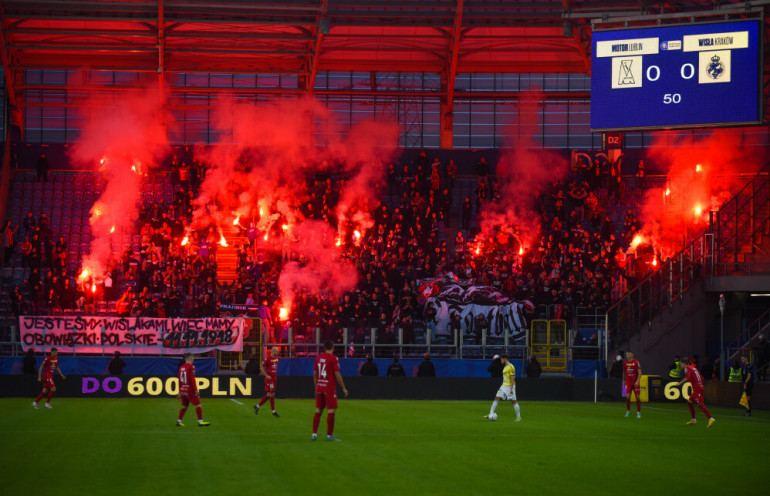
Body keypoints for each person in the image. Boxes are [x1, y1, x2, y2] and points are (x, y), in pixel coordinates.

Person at [312, 340, 348, 441]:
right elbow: (337, 374)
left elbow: (314, 375)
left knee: (318, 410)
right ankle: (329, 436)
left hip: (319, 387)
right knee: (331, 411)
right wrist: (343, 388)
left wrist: (316, 388)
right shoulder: (333, 358)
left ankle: (314, 434)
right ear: (333, 348)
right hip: (329, 388)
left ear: (324, 348)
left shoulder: (318, 358)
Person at [676, 355, 715, 427]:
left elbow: (687, 377)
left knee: (700, 405)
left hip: (697, 388)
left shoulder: (687, 368)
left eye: (681, 364)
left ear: (684, 363)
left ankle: (711, 418)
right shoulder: (693, 368)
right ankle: (693, 420)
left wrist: (679, 383)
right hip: (698, 387)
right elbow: (702, 378)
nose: (681, 365)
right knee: (689, 402)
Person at [176, 353, 211, 427]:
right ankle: (200, 421)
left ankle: (179, 421)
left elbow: (179, 380)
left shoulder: (181, 368)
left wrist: (180, 391)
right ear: (191, 359)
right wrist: (196, 390)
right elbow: (192, 379)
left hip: (183, 390)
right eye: (193, 359)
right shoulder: (191, 367)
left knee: (184, 406)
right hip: (189, 389)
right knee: (198, 404)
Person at [485, 354, 521, 421]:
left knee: (514, 401)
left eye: (501, 359)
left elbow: (513, 378)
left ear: (505, 359)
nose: (501, 360)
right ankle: (490, 414)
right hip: (503, 385)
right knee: (496, 398)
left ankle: (519, 417)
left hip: (509, 386)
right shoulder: (505, 366)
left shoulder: (511, 367)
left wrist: (511, 388)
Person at [254, 346, 280, 417]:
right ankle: (273, 411)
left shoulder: (276, 359)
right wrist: (266, 375)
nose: (278, 352)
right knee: (271, 394)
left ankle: (257, 406)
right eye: (277, 351)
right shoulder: (267, 359)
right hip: (269, 379)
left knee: (270, 395)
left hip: (274, 378)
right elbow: (261, 367)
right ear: (273, 351)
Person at [623, 351, 642, 418]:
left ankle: (638, 412)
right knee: (627, 397)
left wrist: (637, 381)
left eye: (629, 354)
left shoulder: (636, 362)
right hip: (628, 382)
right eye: (627, 354)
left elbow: (640, 372)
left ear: (632, 355)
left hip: (635, 382)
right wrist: (623, 380)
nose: (628, 355)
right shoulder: (625, 363)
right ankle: (628, 411)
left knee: (637, 397)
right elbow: (624, 372)